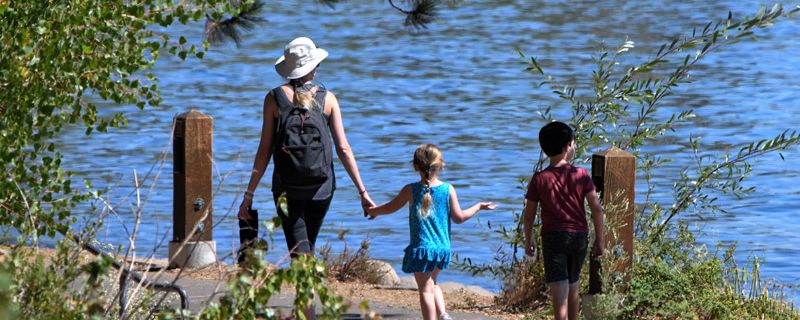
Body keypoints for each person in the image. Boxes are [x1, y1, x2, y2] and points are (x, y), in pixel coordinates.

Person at [238, 37, 375, 318]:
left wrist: (248, 195)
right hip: (322, 189)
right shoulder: (328, 99)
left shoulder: (273, 98)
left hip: (286, 190)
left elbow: (264, 149)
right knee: (305, 248)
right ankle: (307, 310)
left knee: (301, 254)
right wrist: (362, 192)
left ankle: (307, 313)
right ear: (314, 67)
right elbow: (344, 149)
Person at [366, 144, 497, 320]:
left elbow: (390, 207)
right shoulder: (448, 189)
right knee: (433, 283)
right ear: (441, 166)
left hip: (422, 249)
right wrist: (478, 206)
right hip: (442, 249)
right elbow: (459, 218)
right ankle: (443, 314)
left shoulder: (410, 189)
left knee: (425, 290)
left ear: (415, 166)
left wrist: (373, 211)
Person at [523, 121, 604, 320]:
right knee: (573, 285)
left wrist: (529, 238)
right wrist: (599, 239)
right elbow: (597, 209)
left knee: (559, 292)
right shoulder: (581, 175)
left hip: (553, 237)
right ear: (568, 146)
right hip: (579, 236)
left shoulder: (539, 179)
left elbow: (529, 214)